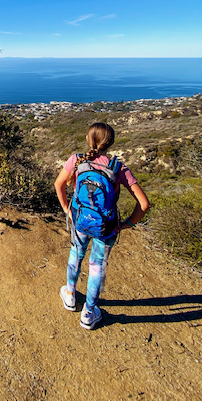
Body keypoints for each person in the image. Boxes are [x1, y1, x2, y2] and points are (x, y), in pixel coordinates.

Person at [54, 122, 150, 330]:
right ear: (111, 142)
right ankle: (88, 313)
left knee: (76, 254)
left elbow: (58, 184)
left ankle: (70, 295)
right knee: (96, 266)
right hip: (106, 227)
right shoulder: (118, 168)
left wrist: (66, 209)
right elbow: (144, 204)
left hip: (80, 219)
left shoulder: (77, 160)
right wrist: (128, 224)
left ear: (89, 140)